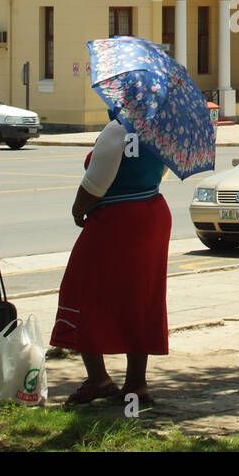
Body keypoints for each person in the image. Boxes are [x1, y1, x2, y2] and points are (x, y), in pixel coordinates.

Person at [50, 106, 172, 406]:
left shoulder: (117, 130)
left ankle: (98, 379)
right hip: (152, 212)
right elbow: (161, 170)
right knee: (141, 297)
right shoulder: (162, 128)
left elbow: (95, 183)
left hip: (118, 218)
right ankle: (136, 385)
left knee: (81, 291)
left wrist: (78, 210)